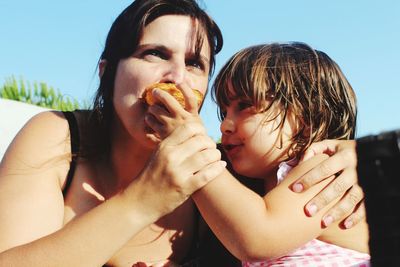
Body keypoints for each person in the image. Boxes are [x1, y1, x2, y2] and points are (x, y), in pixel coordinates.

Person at [0, 0, 365, 266]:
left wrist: (359, 157)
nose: (176, 77)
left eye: (194, 63)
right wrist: (143, 200)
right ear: (107, 71)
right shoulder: (61, 138)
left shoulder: (232, 169)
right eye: (154, 54)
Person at [147, 42, 370, 266]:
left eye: (244, 105)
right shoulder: (260, 192)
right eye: (224, 112)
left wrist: (190, 142)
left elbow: (257, 238)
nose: (225, 125)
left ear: (306, 120)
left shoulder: (325, 169)